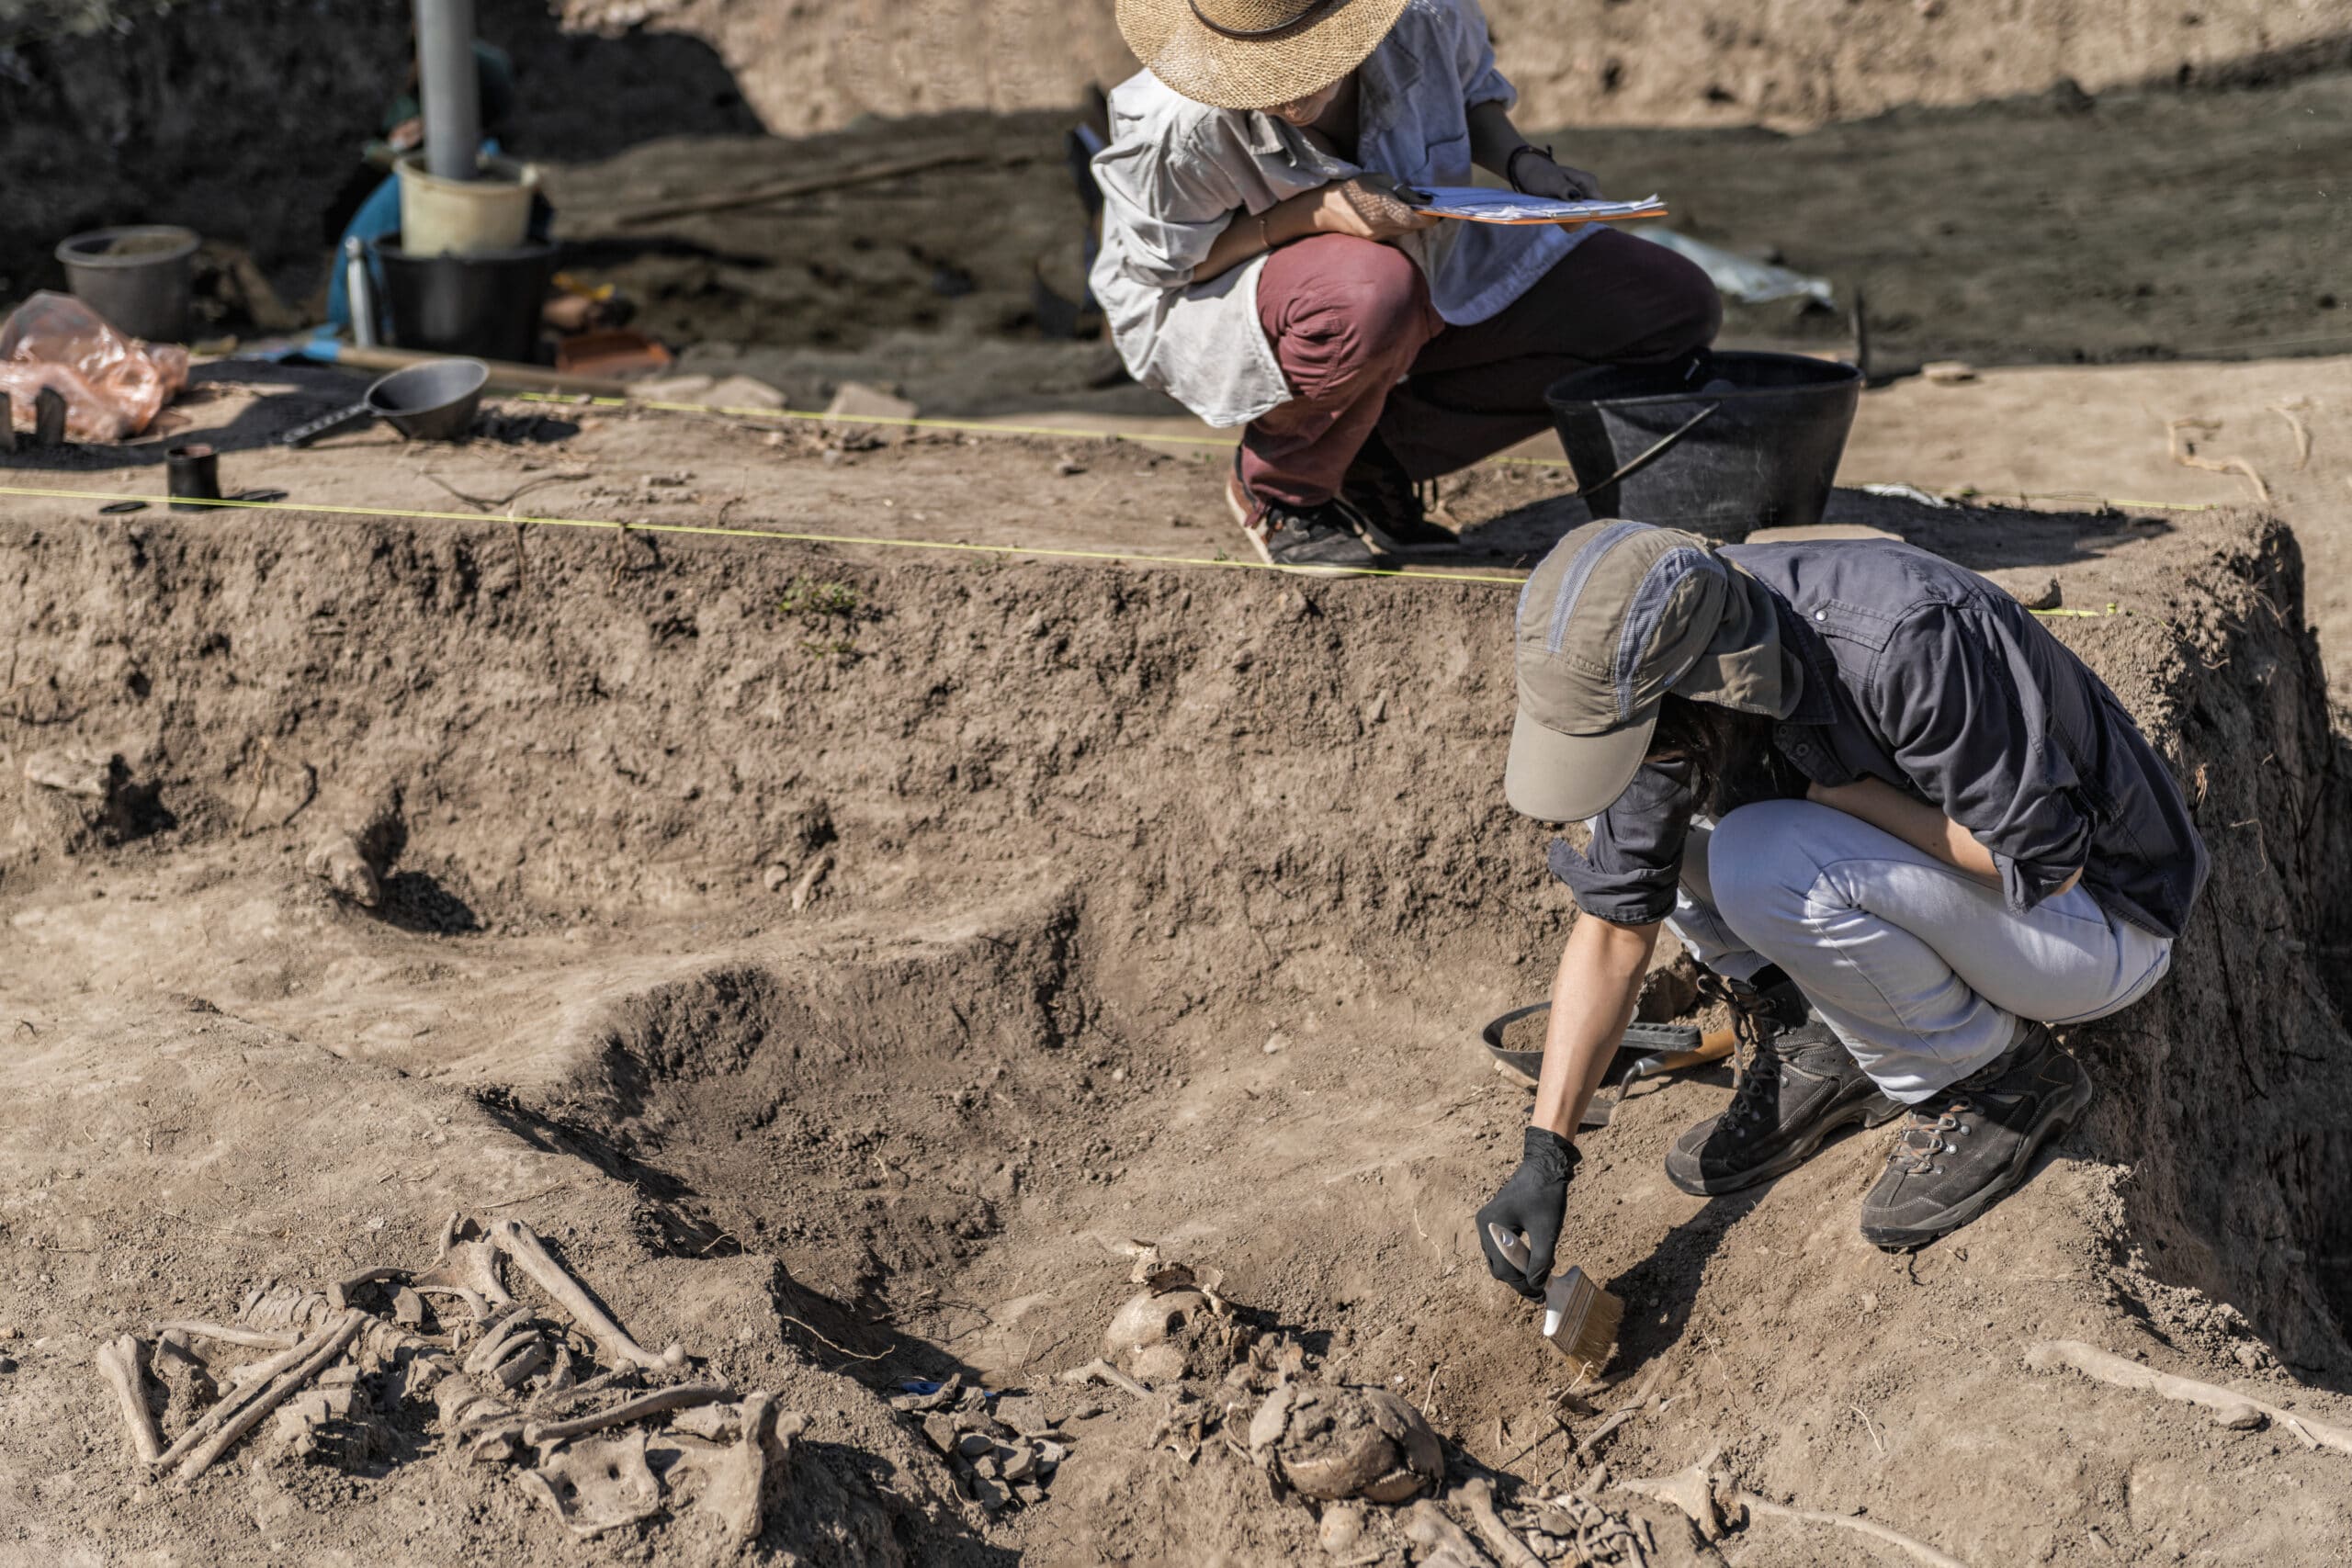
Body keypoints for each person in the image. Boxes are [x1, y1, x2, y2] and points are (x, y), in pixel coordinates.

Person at [1476, 522, 2209, 1296]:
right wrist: (1546, 1153)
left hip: (2100, 921)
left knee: (1760, 859)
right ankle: (1822, 1044)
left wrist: (1846, 799)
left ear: (1689, 680)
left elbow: (2045, 864)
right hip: (1957, 896)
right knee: (1642, 826)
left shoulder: (1901, 643)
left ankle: (1994, 1082)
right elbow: (1618, 922)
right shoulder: (1678, 669)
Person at [1092, 0, 1721, 572]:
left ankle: (1373, 460)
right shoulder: (1179, 124)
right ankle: (1283, 486)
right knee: (1371, 293)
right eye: (1262, 78)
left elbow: (1470, 96)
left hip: (1425, 259)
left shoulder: (1424, 19)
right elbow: (1172, 266)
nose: (1287, 97)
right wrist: (1314, 214)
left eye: (1304, 66)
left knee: (1665, 306)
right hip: (1233, 291)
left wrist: (1523, 163)